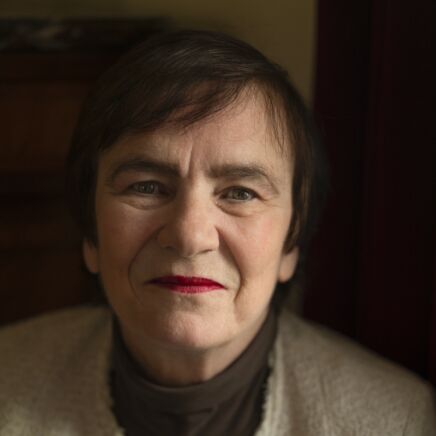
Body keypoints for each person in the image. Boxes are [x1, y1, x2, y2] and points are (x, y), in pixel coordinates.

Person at [0, 30, 434, 436]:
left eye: (240, 193)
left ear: (291, 243)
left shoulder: (397, 422)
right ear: (91, 233)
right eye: (146, 187)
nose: (190, 237)